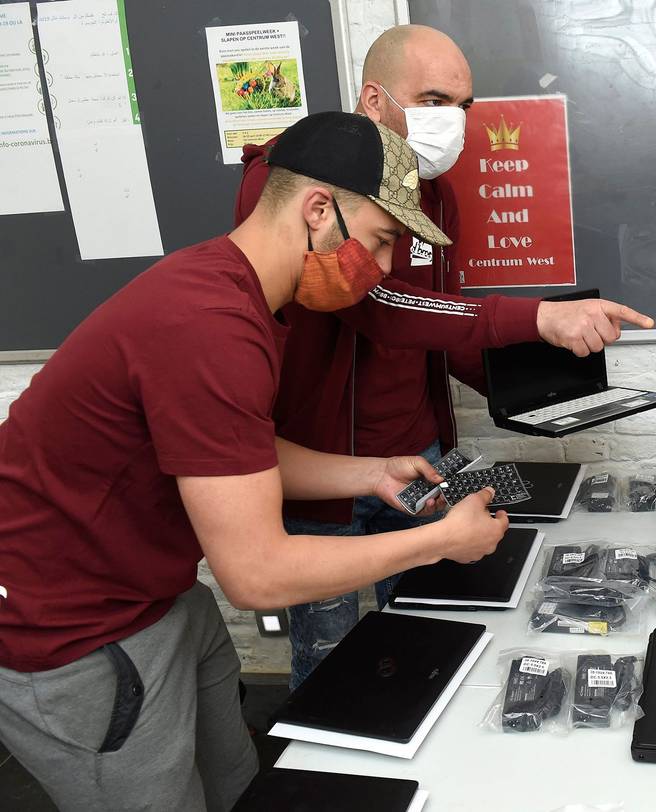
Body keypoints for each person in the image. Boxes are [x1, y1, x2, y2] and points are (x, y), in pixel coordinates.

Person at [0, 112, 509, 810]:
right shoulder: (207, 325)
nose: (386, 267)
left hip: (157, 593)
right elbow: (259, 575)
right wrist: (438, 542)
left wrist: (368, 473)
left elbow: (235, 451)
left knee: (240, 783)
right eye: (383, 239)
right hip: (73, 629)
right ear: (318, 209)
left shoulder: (234, 292)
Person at [233, 25, 654, 690]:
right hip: (327, 477)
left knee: (429, 639)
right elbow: (376, 307)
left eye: (463, 106)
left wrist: (534, 390)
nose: (452, 123)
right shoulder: (292, 179)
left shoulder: (434, 191)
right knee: (331, 666)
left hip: (418, 457)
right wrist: (537, 316)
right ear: (374, 100)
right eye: (433, 100)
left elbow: (441, 322)